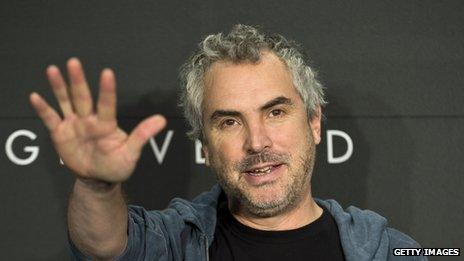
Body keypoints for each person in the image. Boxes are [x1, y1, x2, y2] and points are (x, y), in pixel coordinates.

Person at [30, 25, 424, 260]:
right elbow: (104, 247)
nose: (257, 142)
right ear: (204, 142)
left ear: (314, 122)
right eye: (230, 121)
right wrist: (97, 185)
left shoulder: (387, 250)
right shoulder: (173, 242)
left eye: (275, 112)